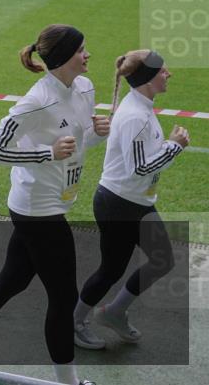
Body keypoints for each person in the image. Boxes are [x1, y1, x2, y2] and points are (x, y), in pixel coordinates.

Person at [0, 24, 109, 385]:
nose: (88, 55)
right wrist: (46, 153)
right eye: (81, 50)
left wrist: (95, 134)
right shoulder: (36, 101)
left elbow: (74, 144)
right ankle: (68, 382)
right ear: (62, 58)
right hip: (36, 209)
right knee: (64, 297)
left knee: (11, 280)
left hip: (54, 203)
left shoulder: (84, 89)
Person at [73, 50, 189, 349]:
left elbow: (140, 159)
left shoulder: (142, 106)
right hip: (119, 204)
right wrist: (174, 147)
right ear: (148, 77)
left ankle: (114, 311)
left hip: (135, 202)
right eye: (163, 70)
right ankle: (73, 323)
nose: (169, 74)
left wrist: (165, 146)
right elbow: (139, 168)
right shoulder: (136, 116)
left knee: (161, 259)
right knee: (110, 270)